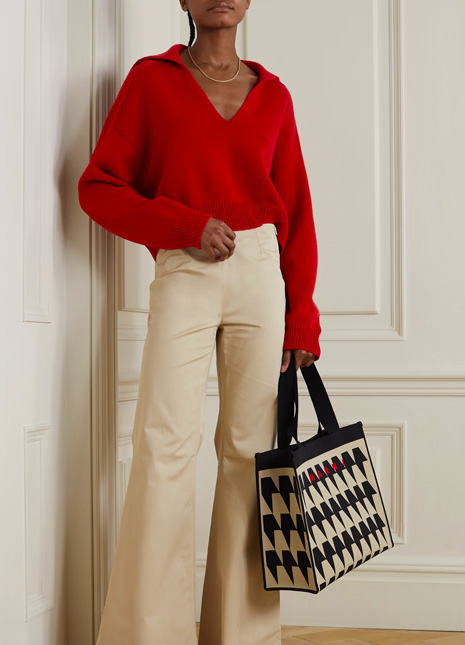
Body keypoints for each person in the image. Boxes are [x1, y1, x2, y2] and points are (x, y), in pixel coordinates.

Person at [78, 1, 322, 643]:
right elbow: (99, 187)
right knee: (163, 448)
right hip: (185, 270)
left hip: (261, 275)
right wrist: (184, 225)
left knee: (250, 456)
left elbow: (296, 208)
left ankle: (242, 636)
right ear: (182, 1)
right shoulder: (151, 82)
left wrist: (301, 314)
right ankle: (146, 635)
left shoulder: (274, 95)